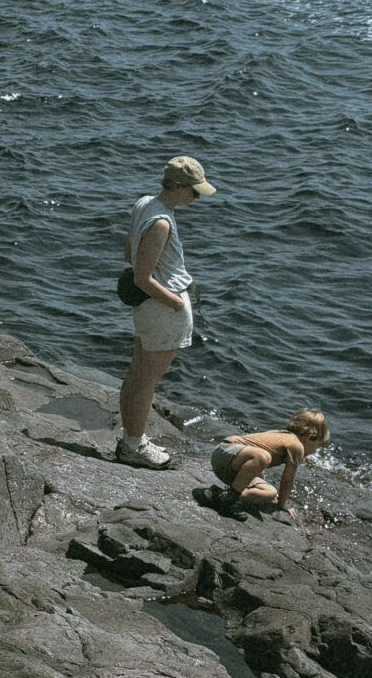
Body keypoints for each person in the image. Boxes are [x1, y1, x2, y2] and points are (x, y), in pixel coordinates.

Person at [115, 155, 215, 468]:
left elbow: (129, 253)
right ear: (177, 186)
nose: (196, 197)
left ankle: (132, 437)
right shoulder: (161, 223)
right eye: (194, 190)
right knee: (146, 382)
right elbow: (142, 278)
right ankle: (134, 446)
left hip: (147, 309)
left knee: (135, 374)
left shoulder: (145, 204)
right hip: (162, 308)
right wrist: (175, 302)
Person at [211, 409, 329, 513]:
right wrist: (282, 505)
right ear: (308, 437)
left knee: (270, 493)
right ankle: (231, 497)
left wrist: (261, 486)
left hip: (228, 465)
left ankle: (220, 495)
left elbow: (255, 467)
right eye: (317, 446)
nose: (314, 452)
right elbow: (287, 480)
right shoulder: (297, 445)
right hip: (226, 452)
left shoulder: (280, 434)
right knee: (263, 456)